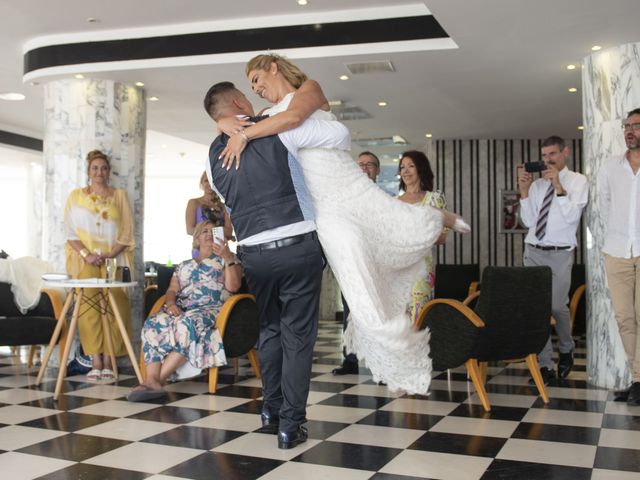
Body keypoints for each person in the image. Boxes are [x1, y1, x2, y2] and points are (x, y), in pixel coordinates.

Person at [211, 53, 469, 397]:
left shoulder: (309, 89)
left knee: (392, 224)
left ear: (273, 67)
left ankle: (436, 215)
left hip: (347, 185)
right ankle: (395, 346)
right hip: (322, 206)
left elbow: (294, 117)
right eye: (250, 86)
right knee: (355, 277)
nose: (255, 89)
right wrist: (223, 125)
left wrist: (242, 135)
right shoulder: (263, 117)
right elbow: (233, 121)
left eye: (257, 79)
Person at [204, 82, 343, 449]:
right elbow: (337, 134)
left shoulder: (210, 155)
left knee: (270, 330)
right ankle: (291, 425)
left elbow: (228, 202)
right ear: (238, 102)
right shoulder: (279, 126)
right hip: (297, 245)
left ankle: (271, 410)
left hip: (254, 253)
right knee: (297, 336)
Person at [127, 220, 242, 401]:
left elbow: (234, 287)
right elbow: (172, 291)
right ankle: (151, 380)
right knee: (153, 323)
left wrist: (228, 257)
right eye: (204, 231)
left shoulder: (228, 260)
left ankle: (156, 381)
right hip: (181, 309)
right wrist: (171, 304)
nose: (209, 234)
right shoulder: (183, 265)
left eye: (214, 232)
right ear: (196, 239)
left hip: (210, 311)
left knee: (187, 324)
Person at [517, 136, 588, 384]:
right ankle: (545, 365)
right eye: (544, 156)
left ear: (564, 153)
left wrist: (558, 185)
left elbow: (571, 217)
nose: (548, 160)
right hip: (533, 250)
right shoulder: (536, 187)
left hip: (560, 253)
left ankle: (566, 347)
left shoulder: (578, 181)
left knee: (557, 305)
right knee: (538, 309)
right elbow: (528, 222)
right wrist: (524, 192)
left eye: (552, 155)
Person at [64, 149, 135, 381]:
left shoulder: (119, 195)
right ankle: (95, 359)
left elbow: (126, 232)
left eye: (103, 168)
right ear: (88, 171)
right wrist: (87, 255)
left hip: (113, 259)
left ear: (109, 171)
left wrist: (109, 254)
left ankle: (109, 359)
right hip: (85, 260)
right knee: (89, 309)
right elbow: (70, 232)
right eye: (95, 168)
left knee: (118, 306)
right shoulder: (76, 196)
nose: (99, 172)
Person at [597, 107, 640, 404]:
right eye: (627, 125)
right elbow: (605, 204)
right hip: (617, 251)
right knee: (625, 317)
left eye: (636, 125)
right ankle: (638, 379)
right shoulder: (610, 166)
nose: (629, 130)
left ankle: (637, 380)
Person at [333, 151, 381, 376]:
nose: (364, 167)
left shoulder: (385, 198)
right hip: (350, 266)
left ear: (377, 170)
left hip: (377, 268)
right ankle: (349, 361)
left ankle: (380, 366)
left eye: (370, 164)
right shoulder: (344, 198)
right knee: (350, 314)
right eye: (360, 164)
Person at [398, 150, 448, 324]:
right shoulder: (393, 202)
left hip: (421, 272)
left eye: (411, 166)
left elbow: (442, 238)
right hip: (396, 270)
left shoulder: (434, 199)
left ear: (421, 169)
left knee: (417, 324)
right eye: (402, 167)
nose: (406, 171)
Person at [185, 171, 232, 237]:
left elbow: (229, 232)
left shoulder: (224, 206)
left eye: (213, 181)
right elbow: (190, 230)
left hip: (219, 246)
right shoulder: (194, 203)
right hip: (201, 246)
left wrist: (205, 231)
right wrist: (216, 230)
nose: (210, 183)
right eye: (206, 180)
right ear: (201, 183)